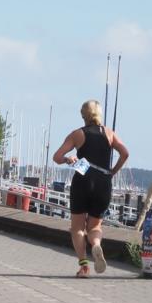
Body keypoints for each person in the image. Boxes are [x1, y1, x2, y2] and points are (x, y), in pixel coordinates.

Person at [53, 99, 129, 278]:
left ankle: (84, 266)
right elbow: (125, 153)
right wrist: (112, 172)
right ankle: (96, 244)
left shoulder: (77, 134)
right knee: (95, 226)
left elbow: (57, 157)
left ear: (83, 116)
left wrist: (68, 159)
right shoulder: (109, 133)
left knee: (77, 228)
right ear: (99, 114)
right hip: (103, 181)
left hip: (83, 180)